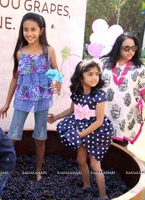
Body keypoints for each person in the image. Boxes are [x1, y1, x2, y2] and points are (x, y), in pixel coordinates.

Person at [0, 12, 60, 181]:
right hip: (22, 97)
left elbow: (56, 72)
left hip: (42, 98)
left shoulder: (49, 51)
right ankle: (4, 168)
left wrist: (57, 83)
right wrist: (6, 103)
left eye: (33, 29)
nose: (29, 33)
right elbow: (15, 78)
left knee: (40, 136)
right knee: (13, 135)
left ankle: (38, 169)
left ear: (41, 30)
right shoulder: (20, 52)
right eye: (26, 29)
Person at [48, 60, 113, 200]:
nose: (95, 77)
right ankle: (86, 185)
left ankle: (103, 195)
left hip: (96, 132)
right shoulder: (77, 93)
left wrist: (81, 134)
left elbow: (99, 121)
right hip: (81, 127)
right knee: (80, 160)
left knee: (95, 163)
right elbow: (72, 110)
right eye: (90, 74)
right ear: (80, 76)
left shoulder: (99, 95)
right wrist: (56, 117)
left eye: (97, 74)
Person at [100, 32, 145, 147]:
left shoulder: (139, 68)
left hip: (125, 117)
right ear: (118, 47)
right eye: (126, 48)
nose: (131, 51)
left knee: (119, 150)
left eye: (133, 48)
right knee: (98, 145)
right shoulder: (103, 63)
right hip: (102, 113)